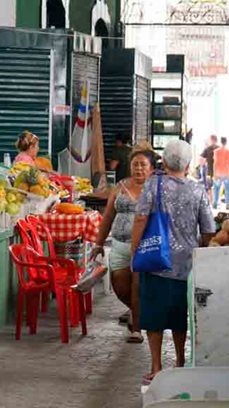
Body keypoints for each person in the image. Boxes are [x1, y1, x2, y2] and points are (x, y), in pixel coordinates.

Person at [131, 140, 217, 383]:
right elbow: (209, 229)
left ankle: (156, 366)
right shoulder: (198, 189)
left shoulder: (152, 184)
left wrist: (135, 250)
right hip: (186, 264)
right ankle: (180, 362)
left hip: (155, 258)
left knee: (154, 315)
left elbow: (140, 219)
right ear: (188, 164)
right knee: (181, 316)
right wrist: (201, 250)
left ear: (164, 161)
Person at [91, 145, 157, 343]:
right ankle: (138, 311)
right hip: (119, 244)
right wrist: (98, 243)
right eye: (135, 164)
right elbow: (108, 216)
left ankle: (136, 328)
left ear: (151, 168)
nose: (138, 169)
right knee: (119, 286)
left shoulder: (156, 188)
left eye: (143, 165)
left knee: (137, 286)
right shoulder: (120, 187)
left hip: (144, 246)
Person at [212, 137, 229, 210]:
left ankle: (215, 203)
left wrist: (214, 174)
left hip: (218, 173)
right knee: (228, 189)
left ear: (220, 142)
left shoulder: (216, 151)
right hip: (227, 173)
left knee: (216, 189)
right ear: (226, 142)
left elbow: (215, 163)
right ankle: (228, 204)